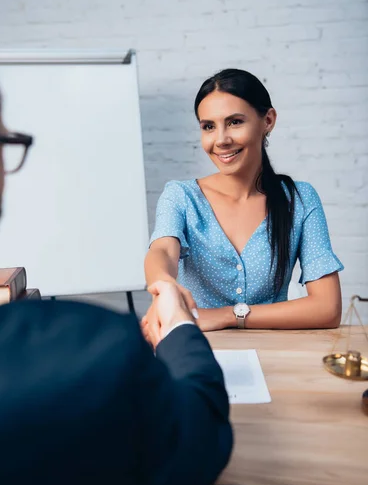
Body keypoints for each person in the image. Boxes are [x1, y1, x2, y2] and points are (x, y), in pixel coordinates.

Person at [0, 25, 232, 485]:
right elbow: (199, 432)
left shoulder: (298, 198)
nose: (220, 139)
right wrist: (178, 326)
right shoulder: (90, 356)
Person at [144, 69, 343, 332]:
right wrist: (164, 284)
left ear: (268, 120)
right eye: (208, 127)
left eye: (235, 122)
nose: (221, 140)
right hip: (199, 347)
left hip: (278, 352)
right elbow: (163, 250)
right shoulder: (181, 196)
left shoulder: (300, 199)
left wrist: (228, 316)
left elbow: (327, 308)